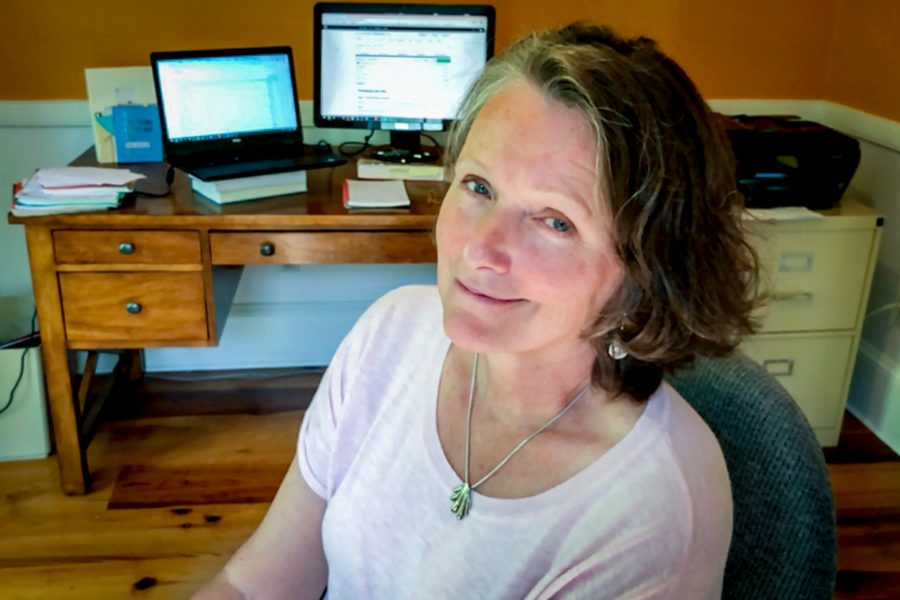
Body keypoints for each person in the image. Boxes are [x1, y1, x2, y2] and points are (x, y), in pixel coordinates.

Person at [194, 22, 760, 599]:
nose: (480, 249)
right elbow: (258, 579)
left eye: (555, 221)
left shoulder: (648, 514)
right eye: (478, 187)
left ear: (649, 266)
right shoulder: (389, 334)